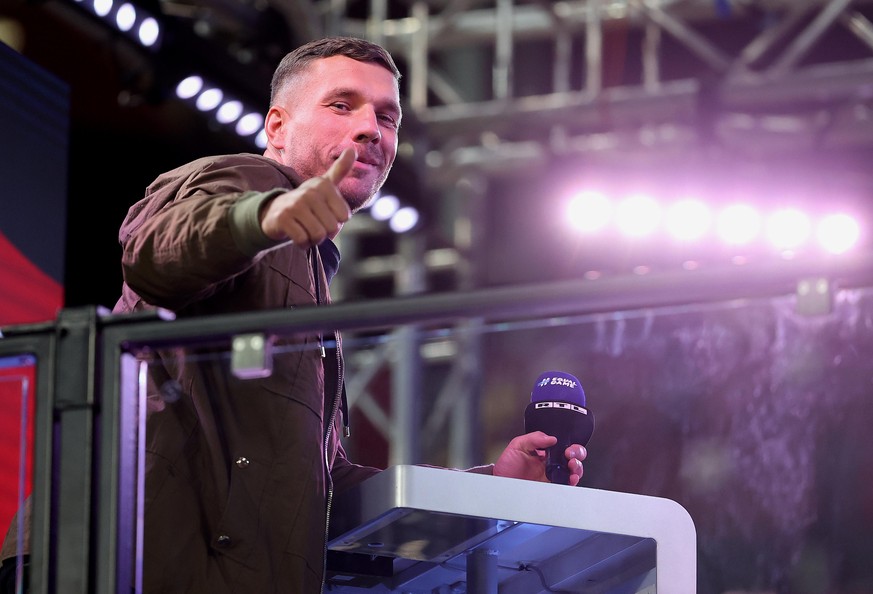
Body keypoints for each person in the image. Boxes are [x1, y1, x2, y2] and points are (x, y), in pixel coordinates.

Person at [0, 36, 587, 594]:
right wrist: (263, 217)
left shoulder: (308, 273)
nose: (370, 128)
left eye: (387, 118)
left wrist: (492, 485)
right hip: (118, 562)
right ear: (277, 125)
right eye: (341, 105)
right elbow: (153, 253)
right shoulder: (248, 180)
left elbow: (320, 492)